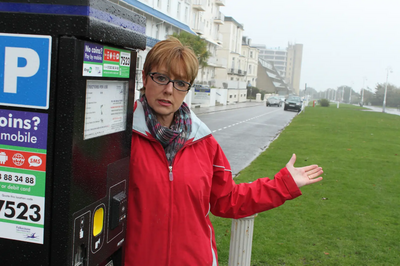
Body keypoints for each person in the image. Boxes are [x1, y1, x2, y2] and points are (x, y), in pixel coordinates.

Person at [125, 37, 323, 266]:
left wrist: (283, 184)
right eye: (160, 78)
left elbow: (227, 199)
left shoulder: (203, 142)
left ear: (187, 88)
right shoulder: (119, 136)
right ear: (144, 78)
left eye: (180, 83)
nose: (169, 90)